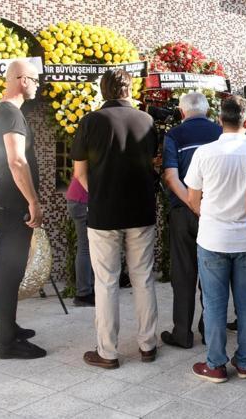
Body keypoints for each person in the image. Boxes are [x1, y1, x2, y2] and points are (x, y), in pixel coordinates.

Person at [72, 69, 159, 370]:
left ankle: (107, 352)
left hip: (104, 213)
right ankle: (148, 345)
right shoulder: (147, 120)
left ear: (103, 90)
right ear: (130, 89)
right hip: (141, 210)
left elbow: (80, 173)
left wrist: (98, 194)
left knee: (106, 282)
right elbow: (150, 161)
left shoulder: (91, 121)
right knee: (143, 278)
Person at [184, 96, 246, 383]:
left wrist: (210, 215)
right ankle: (245, 363)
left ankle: (215, 364)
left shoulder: (205, 153)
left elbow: (193, 198)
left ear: (219, 120)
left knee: (214, 304)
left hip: (213, 238)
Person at [0, 59, 45, 359]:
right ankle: (7, 344)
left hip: (4, 203)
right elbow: (16, 160)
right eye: (35, 80)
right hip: (13, 204)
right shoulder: (10, 113)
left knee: (3, 270)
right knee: (11, 272)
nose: (37, 85)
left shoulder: (4, 112)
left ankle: (4, 329)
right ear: (23, 80)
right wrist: (33, 201)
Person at [160, 92, 221, 349]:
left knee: (183, 273)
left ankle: (182, 333)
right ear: (207, 111)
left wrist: (191, 204)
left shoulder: (174, 135)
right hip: (214, 213)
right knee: (212, 274)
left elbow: (171, 177)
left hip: (183, 213)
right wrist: (202, 207)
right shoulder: (220, 132)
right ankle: (209, 330)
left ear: (182, 112)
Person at [66, 176, 94, 307]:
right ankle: (83, 294)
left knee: (89, 247)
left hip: (78, 199)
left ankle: (88, 290)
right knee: (85, 248)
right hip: (82, 201)